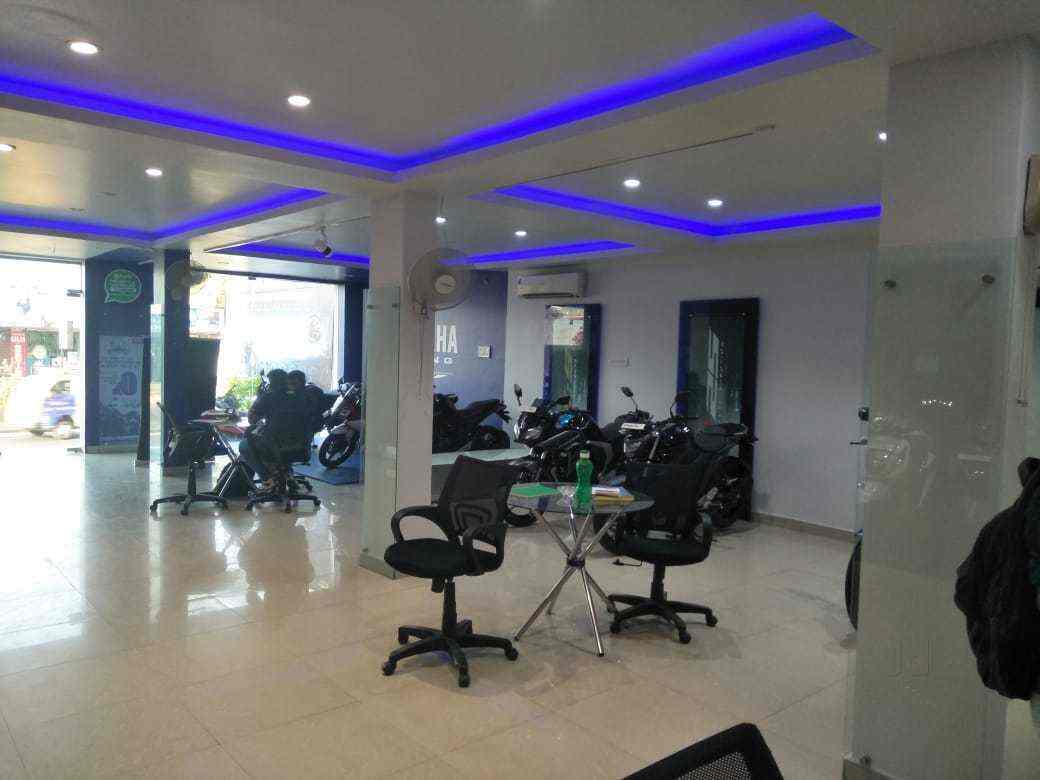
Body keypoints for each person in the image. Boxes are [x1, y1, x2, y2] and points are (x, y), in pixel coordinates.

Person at [238, 369, 310, 487]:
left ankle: (268, 479)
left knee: (244, 446)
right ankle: (287, 474)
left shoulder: (269, 397)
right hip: (302, 445)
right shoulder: (302, 396)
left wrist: (259, 397)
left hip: (275, 446)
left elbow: (252, 419)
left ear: (272, 383)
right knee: (282, 441)